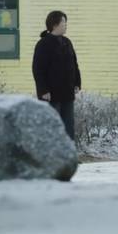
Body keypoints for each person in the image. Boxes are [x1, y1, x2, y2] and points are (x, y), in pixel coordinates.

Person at [32, 10, 81, 140]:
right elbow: (38, 69)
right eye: (63, 22)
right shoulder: (43, 44)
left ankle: (69, 157)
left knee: (68, 127)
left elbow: (74, 64)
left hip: (67, 93)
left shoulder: (67, 42)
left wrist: (77, 83)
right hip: (50, 95)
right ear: (54, 25)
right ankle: (51, 157)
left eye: (66, 22)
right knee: (52, 127)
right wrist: (43, 90)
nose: (66, 25)